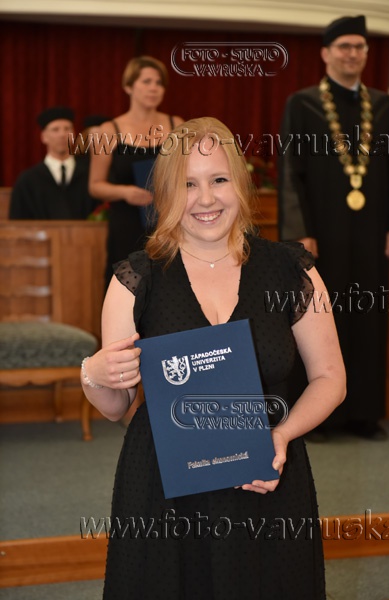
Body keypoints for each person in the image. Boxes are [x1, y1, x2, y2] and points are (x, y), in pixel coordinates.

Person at [81, 117, 346, 599]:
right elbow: (118, 407)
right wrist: (93, 374)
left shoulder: (291, 270)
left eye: (219, 179)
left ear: (240, 183)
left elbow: (330, 378)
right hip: (164, 486)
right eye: (187, 184)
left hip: (267, 473)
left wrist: (281, 435)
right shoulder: (135, 278)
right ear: (166, 192)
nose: (205, 199)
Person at [278, 15, 389, 441]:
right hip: (320, 231)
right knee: (316, 316)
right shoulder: (303, 103)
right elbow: (290, 169)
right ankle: (317, 417)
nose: (352, 54)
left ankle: (363, 414)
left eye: (359, 47)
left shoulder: (383, 106)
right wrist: (299, 229)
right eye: (344, 46)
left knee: (368, 316)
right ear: (326, 53)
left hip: (371, 230)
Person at [88, 55, 184, 284]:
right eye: (146, 81)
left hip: (168, 224)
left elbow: (187, 173)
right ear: (128, 86)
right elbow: (95, 186)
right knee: (128, 291)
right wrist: (125, 192)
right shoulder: (108, 130)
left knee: (171, 289)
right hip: (127, 226)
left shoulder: (177, 125)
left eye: (159, 83)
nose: (154, 88)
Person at [9, 106, 98, 219]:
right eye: (55, 130)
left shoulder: (91, 175)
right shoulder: (28, 180)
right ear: (44, 137)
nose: (62, 134)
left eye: (67, 129)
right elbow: (18, 220)